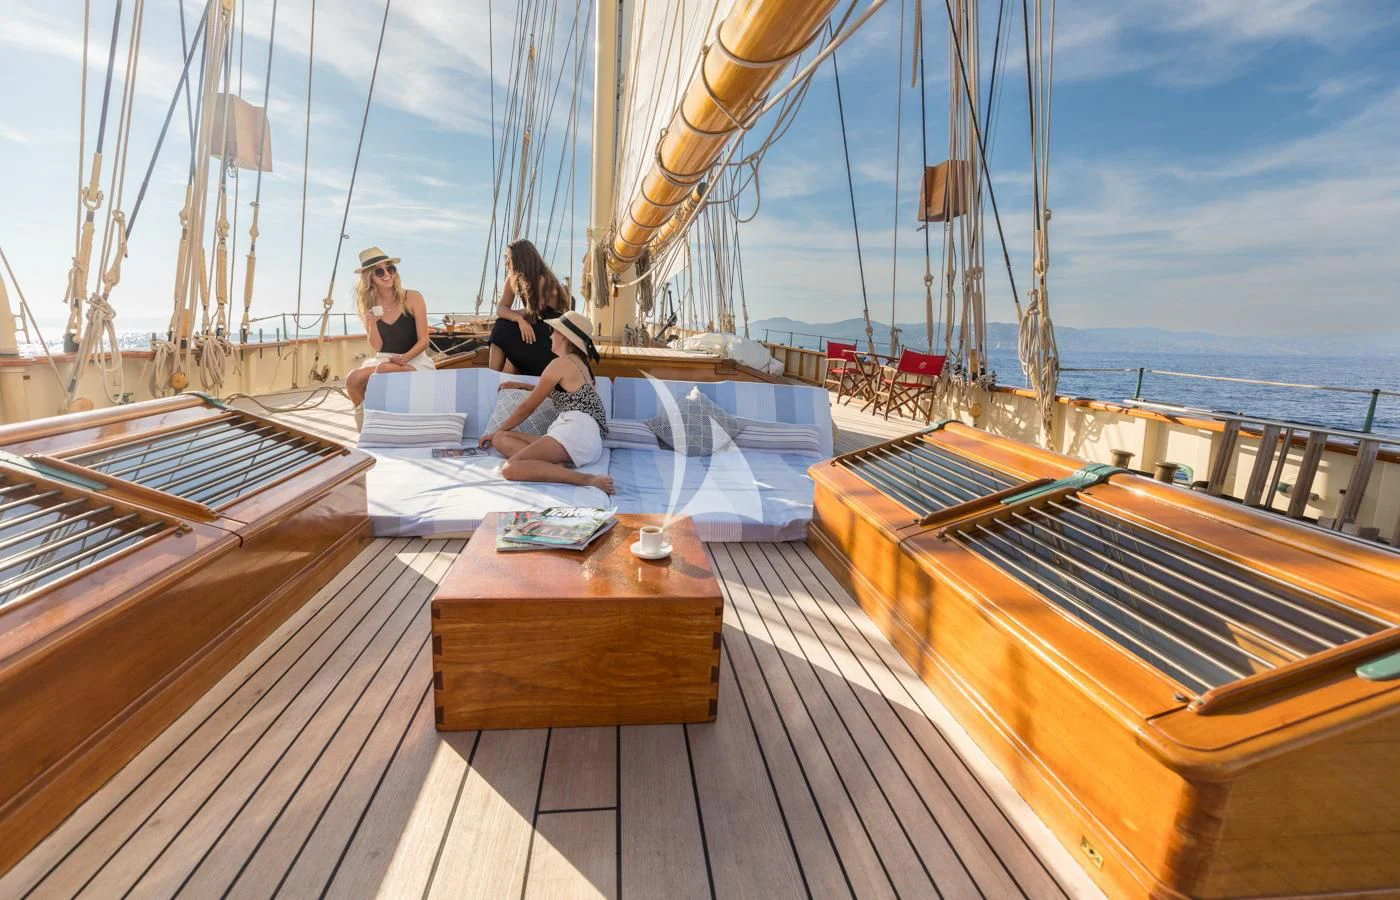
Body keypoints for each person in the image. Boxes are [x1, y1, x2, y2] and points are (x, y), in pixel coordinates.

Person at [480, 310, 615, 494]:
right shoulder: (580, 365)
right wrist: (523, 386)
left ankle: (587, 479)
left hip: (574, 435)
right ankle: (553, 467)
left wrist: (495, 430)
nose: (550, 336)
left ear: (564, 337)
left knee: (509, 468)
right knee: (500, 439)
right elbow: (566, 396)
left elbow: (527, 407)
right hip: (587, 439)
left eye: (554, 332)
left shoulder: (560, 364)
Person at [346, 246, 433, 414]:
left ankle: (377, 414)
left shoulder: (412, 297)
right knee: (353, 379)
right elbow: (378, 347)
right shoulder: (368, 305)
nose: (387, 274)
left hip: (414, 360)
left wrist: (405, 358)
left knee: (384, 369)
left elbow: (424, 341)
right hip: (384, 360)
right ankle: (365, 415)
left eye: (390, 268)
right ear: (370, 277)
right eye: (379, 271)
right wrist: (372, 324)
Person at [488, 238, 570, 376]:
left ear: (520, 259)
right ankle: (492, 376)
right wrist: (519, 320)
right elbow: (501, 309)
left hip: (549, 334)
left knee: (510, 338)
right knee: (501, 325)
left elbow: (536, 312)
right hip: (532, 327)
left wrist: (522, 317)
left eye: (509, 258)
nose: (506, 262)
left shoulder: (544, 279)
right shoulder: (513, 278)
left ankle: (500, 380)